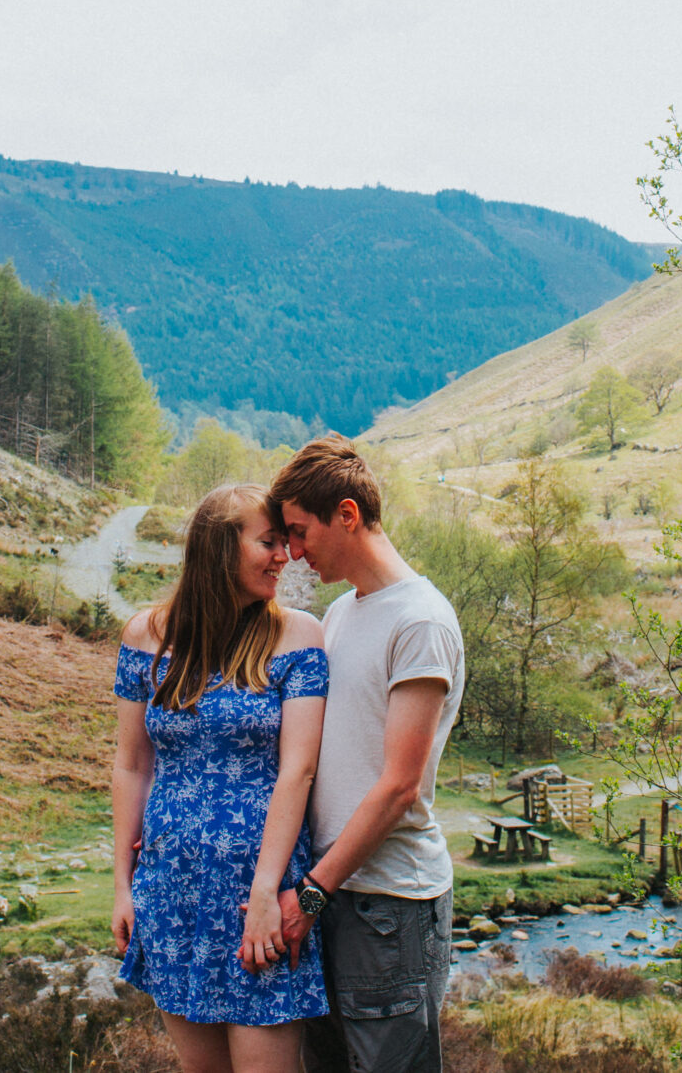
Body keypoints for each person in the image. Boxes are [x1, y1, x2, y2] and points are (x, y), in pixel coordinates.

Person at [264, 436, 466, 1073]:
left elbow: (398, 787)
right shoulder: (344, 614)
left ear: (346, 515)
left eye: (300, 531)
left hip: (388, 907)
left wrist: (313, 894)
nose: (294, 551)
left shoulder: (421, 621)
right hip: (329, 896)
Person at [114, 482, 331, 1072]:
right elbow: (132, 764)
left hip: (253, 903)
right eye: (269, 542)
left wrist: (265, 895)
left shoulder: (298, 636)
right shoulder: (145, 638)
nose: (283, 556)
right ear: (218, 549)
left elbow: (299, 770)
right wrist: (121, 885)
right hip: (171, 892)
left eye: (285, 543)